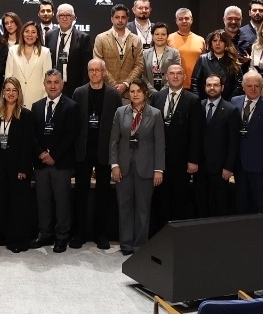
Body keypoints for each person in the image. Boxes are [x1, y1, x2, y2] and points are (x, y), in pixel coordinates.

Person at [71, 58, 122, 249]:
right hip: (83, 150)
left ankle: (101, 234)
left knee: (103, 194)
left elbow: (118, 125)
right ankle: (80, 233)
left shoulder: (113, 95)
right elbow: (74, 124)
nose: (94, 73)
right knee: (81, 193)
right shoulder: (79, 93)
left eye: (97, 70)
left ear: (104, 72)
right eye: (91, 70)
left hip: (104, 150)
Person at [110, 82, 164, 255]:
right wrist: (114, 165)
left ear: (145, 93)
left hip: (146, 167)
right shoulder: (120, 112)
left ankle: (140, 245)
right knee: (124, 207)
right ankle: (126, 244)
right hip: (123, 167)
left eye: (138, 91)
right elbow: (113, 142)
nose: (135, 94)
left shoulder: (155, 114)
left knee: (143, 209)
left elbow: (160, 144)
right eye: (132, 91)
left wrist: (159, 169)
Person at [32, 70, 80, 252]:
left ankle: (61, 236)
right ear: (44, 84)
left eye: (56, 82)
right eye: (49, 82)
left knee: (62, 202)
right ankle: (45, 233)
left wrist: (54, 156)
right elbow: (32, 135)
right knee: (42, 200)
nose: (52, 86)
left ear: (62, 84)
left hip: (61, 163)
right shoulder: (36, 106)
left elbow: (71, 135)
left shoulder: (72, 106)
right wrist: (41, 153)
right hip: (41, 163)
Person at [149, 63, 202, 229]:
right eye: (172, 73)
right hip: (160, 160)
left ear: (184, 77)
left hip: (182, 160)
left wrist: (193, 159)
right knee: (160, 199)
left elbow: (196, 133)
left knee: (179, 199)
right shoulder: (157, 97)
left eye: (179, 73)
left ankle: (177, 235)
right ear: (166, 77)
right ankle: (159, 234)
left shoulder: (193, 100)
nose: (175, 76)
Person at [0, 77, 37, 253]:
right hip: (0, 165)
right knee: (1, 201)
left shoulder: (26, 114)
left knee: (17, 204)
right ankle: (3, 235)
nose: (11, 93)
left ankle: (17, 239)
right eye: (8, 90)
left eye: (14, 90)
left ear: (19, 93)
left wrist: (23, 168)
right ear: (3, 92)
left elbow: (28, 144)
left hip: (18, 166)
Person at [230, 71, 263, 215]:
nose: (253, 89)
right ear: (243, 87)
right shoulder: (234, 102)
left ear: (261, 87)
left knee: (259, 205)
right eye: (249, 86)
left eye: (256, 86)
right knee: (241, 204)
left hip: (260, 167)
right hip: (239, 165)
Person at [195, 74, 237, 219]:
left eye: (215, 85)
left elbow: (233, 142)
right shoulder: (198, 106)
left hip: (221, 169)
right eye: (209, 85)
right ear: (204, 87)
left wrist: (229, 167)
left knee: (220, 206)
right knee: (201, 205)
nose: (212, 88)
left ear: (222, 88)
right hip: (200, 167)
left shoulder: (231, 110)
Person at [94, 5, 144, 96]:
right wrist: (114, 84)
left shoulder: (136, 39)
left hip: (130, 92)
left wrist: (126, 84)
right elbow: (98, 64)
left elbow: (139, 65)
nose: (120, 20)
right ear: (112, 19)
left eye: (123, 17)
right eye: (117, 17)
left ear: (127, 19)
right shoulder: (101, 38)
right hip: (106, 91)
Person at [5, 20, 53, 110]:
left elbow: (48, 79)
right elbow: (8, 77)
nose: (30, 35)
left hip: (38, 100)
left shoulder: (45, 52)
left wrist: (45, 100)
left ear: (37, 35)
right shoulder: (12, 51)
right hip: (16, 99)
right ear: (22, 34)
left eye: (33, 32)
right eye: (27, 31)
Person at [45, 3, 91, 94]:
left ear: (73, 18)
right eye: (61, 15)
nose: (64, 18)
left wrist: (83, 89)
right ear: (57, 18)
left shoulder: (83, 38)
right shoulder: (49, 35)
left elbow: (86, 67)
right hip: (53, 86)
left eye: (68, 15)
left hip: (74, 87)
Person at [190, 29, 242, 100]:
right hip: (205, 101)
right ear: (211, 43)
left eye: (221, 41)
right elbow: (195, 82)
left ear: (226, 43)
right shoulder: (203, 59)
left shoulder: (232, 60)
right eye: (214, 41)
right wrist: (198, 101)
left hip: (227, 102)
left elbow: (239, 84)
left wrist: (230, 101)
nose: (217, 43)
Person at [167, 8, 206, 85]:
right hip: (174, 84)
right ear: (176, 21)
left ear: (191, 20)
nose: (184, 21)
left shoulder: (201, 40)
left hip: (196, 84)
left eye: (186, 18)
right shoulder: (168, 39)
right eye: (180, 19)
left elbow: (204, 64)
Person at [142, 23, 180, 96]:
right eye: (157, 34)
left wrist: (162, 92)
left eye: (163, 34)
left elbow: (176, 74)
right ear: (152, 36)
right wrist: (152, 90)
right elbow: (143, 75)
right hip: (149, 94)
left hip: (168, 93)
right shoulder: (145, 53)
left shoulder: (174, 53)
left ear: (167, 36)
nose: (160, 37)